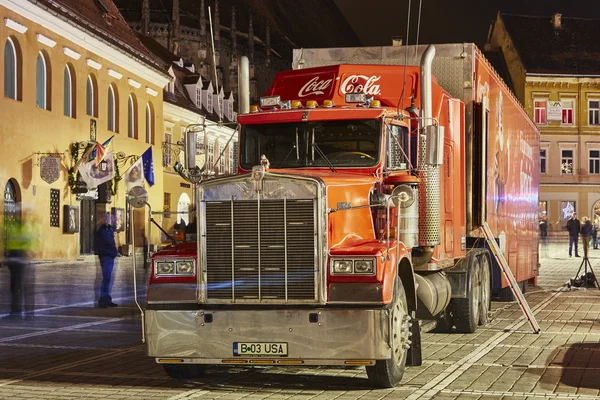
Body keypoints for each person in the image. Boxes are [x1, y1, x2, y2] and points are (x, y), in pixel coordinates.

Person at [3, 206, 36, 320]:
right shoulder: (14, 226)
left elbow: (32, 243)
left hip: (23, 261)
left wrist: (29, 253)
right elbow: (10, 242)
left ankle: (24, 313)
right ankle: (17, 312)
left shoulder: (29, 227)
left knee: (21, 288)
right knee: (15, 287)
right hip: (14, 260)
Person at [95, 212, 118, 308]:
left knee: (108, 279)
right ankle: (103, 300)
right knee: (106, 278)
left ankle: (107, 299)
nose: (108, 220)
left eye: (109, 218)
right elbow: (108, 241)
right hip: (106, 256)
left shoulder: (109, 229)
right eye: (107, 218)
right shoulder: (102, 230)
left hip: (110, 255)